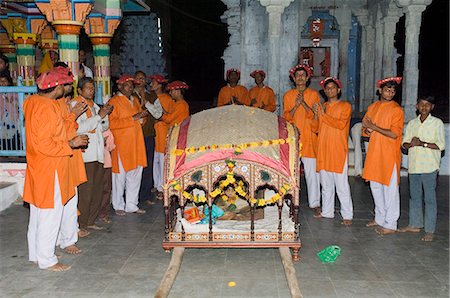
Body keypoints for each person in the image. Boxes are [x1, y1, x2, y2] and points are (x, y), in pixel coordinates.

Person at [23, 68, 88, 271]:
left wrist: (69, 121)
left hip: (39, 166)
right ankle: (47, 259)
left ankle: (37, 253)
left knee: (38, 214)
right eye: (66, 86)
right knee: (50, 215)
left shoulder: (33, 102)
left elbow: (51, 134)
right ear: (58, 88)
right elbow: (45, 143)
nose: (68, 90)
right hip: (51, 167)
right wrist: (72, 144)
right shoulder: (47, 108)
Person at [398, 96, 445, 241]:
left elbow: (440, 146)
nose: (424, 107)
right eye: (421, 104)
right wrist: (410, 144)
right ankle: (415, 224)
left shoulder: (437, 123)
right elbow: (403, 144)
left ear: (432, 107)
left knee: (429, 199)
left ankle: (430, 230)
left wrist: (422, 143)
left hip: (430, 166)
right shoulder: (412, 123)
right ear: (417, 107)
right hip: (414, 166)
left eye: (427, 105)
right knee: (414, 197)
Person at [362, 76, 404, 235]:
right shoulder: (373, 107)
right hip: (374, 152)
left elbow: (394, 134)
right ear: (380, 91)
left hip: (389, 154)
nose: (391, 93)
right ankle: (380, 218)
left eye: (393, 90)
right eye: (388, 90)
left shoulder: (396, 110)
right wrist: (368, 129)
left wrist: (374, 127)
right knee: (375, 186)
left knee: (390, 189)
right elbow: (365, 129)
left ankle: (391, 223)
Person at [74, 77, 113, 232]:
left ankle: (90, 220)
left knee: (97, 189)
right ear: (80, 90)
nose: (92, 91)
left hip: (98, 154)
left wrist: (104, 115)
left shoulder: (95, 106)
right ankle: (81, 224)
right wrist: (99, 116)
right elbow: (78, 128)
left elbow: (103, 128)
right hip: (86, 155)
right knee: (86, 190)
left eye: (93, 88)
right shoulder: (76, 105)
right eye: (88, 88)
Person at [312, 77, 353, 225]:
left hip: (338, 150)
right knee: (326, 185)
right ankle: (327, 212)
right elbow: (315, 128)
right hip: (324, 150)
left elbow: (340, 125)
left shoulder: (345, 106)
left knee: (341, 185)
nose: (330, 90)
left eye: (332, 88)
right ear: (324, 91)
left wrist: (322, 114)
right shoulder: (323, 107)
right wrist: (316, 115)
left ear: (338, 90)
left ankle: (347, 215)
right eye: (327, 88)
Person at [283, 64, 321, 216]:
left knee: (312, 173)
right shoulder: (288, 95)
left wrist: (303, 104)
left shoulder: (313, 95)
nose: (300, 77)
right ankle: (288, 200)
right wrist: (296, 105)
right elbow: (286, 117)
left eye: (302, 75)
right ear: (293, 78)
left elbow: (316, 116)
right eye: (297, 75)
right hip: (293, 138)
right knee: (291, 171)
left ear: (307, 78)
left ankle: (315, 202)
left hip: (309, 138)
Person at [108, 75, 147, 215]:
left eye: (131, 85)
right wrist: (133, 118)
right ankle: (118, 205)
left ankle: (132, 204)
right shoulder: (114, 101)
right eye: (127, 85)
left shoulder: (135, 100)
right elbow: (112, 123)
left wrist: (142, 118)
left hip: (136, 143)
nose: (130, 88)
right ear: (119, 86)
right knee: (120, 176)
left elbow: (140, 119)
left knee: (135, 174)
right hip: (122, 144)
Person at [147, 74, 173, 198]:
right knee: (155, 160)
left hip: (162, 131)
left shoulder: (167, 98)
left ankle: (163, 187)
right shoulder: (151, 97)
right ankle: (156, 185)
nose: (151, 84)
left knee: (162, 160)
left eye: (153, 82)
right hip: (154, 132)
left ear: (160, 85)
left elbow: (168, 115)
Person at [134, 71, 158, 205]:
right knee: (136, 167)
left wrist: (146, 100)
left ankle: (146, 194)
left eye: (143, 79)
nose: (140, 81)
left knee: (148, 165)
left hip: (148, 135)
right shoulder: (130, 95)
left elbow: (157, 112)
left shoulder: (151, 95)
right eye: (138, 78)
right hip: (135, 136)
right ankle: (134, 196)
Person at [98, 129, 115, 223]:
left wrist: (104, 143)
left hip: (105, 162)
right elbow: (111, 146)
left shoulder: (106, 130)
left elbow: (110, 146)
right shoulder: (106, 130)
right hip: (100, 162)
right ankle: (101, 213)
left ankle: (102, 212)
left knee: (104, 189)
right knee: (104, 189)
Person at [0, 72, 20, 150]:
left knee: (14, 139)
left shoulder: (14, 93)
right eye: (0, 81)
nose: (2, 83)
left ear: (8, 82)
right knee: (3, 138)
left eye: (4, 81)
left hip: (13, 121)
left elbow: (16, 106)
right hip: (3, 122)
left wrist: (9, 102)